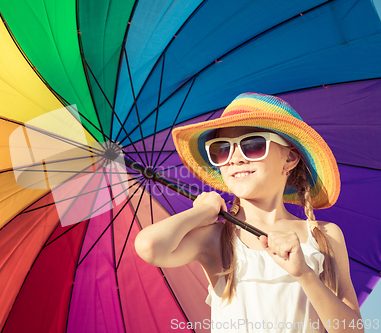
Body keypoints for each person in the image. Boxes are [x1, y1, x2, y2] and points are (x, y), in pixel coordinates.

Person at [134, 93, 363, 332]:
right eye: (222, 149)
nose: (234, 158)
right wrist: (202, 212)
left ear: (290, 157)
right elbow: (150, 246)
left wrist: (304, 274)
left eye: (252, 145)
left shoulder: (324, 236)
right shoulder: (216, 237)